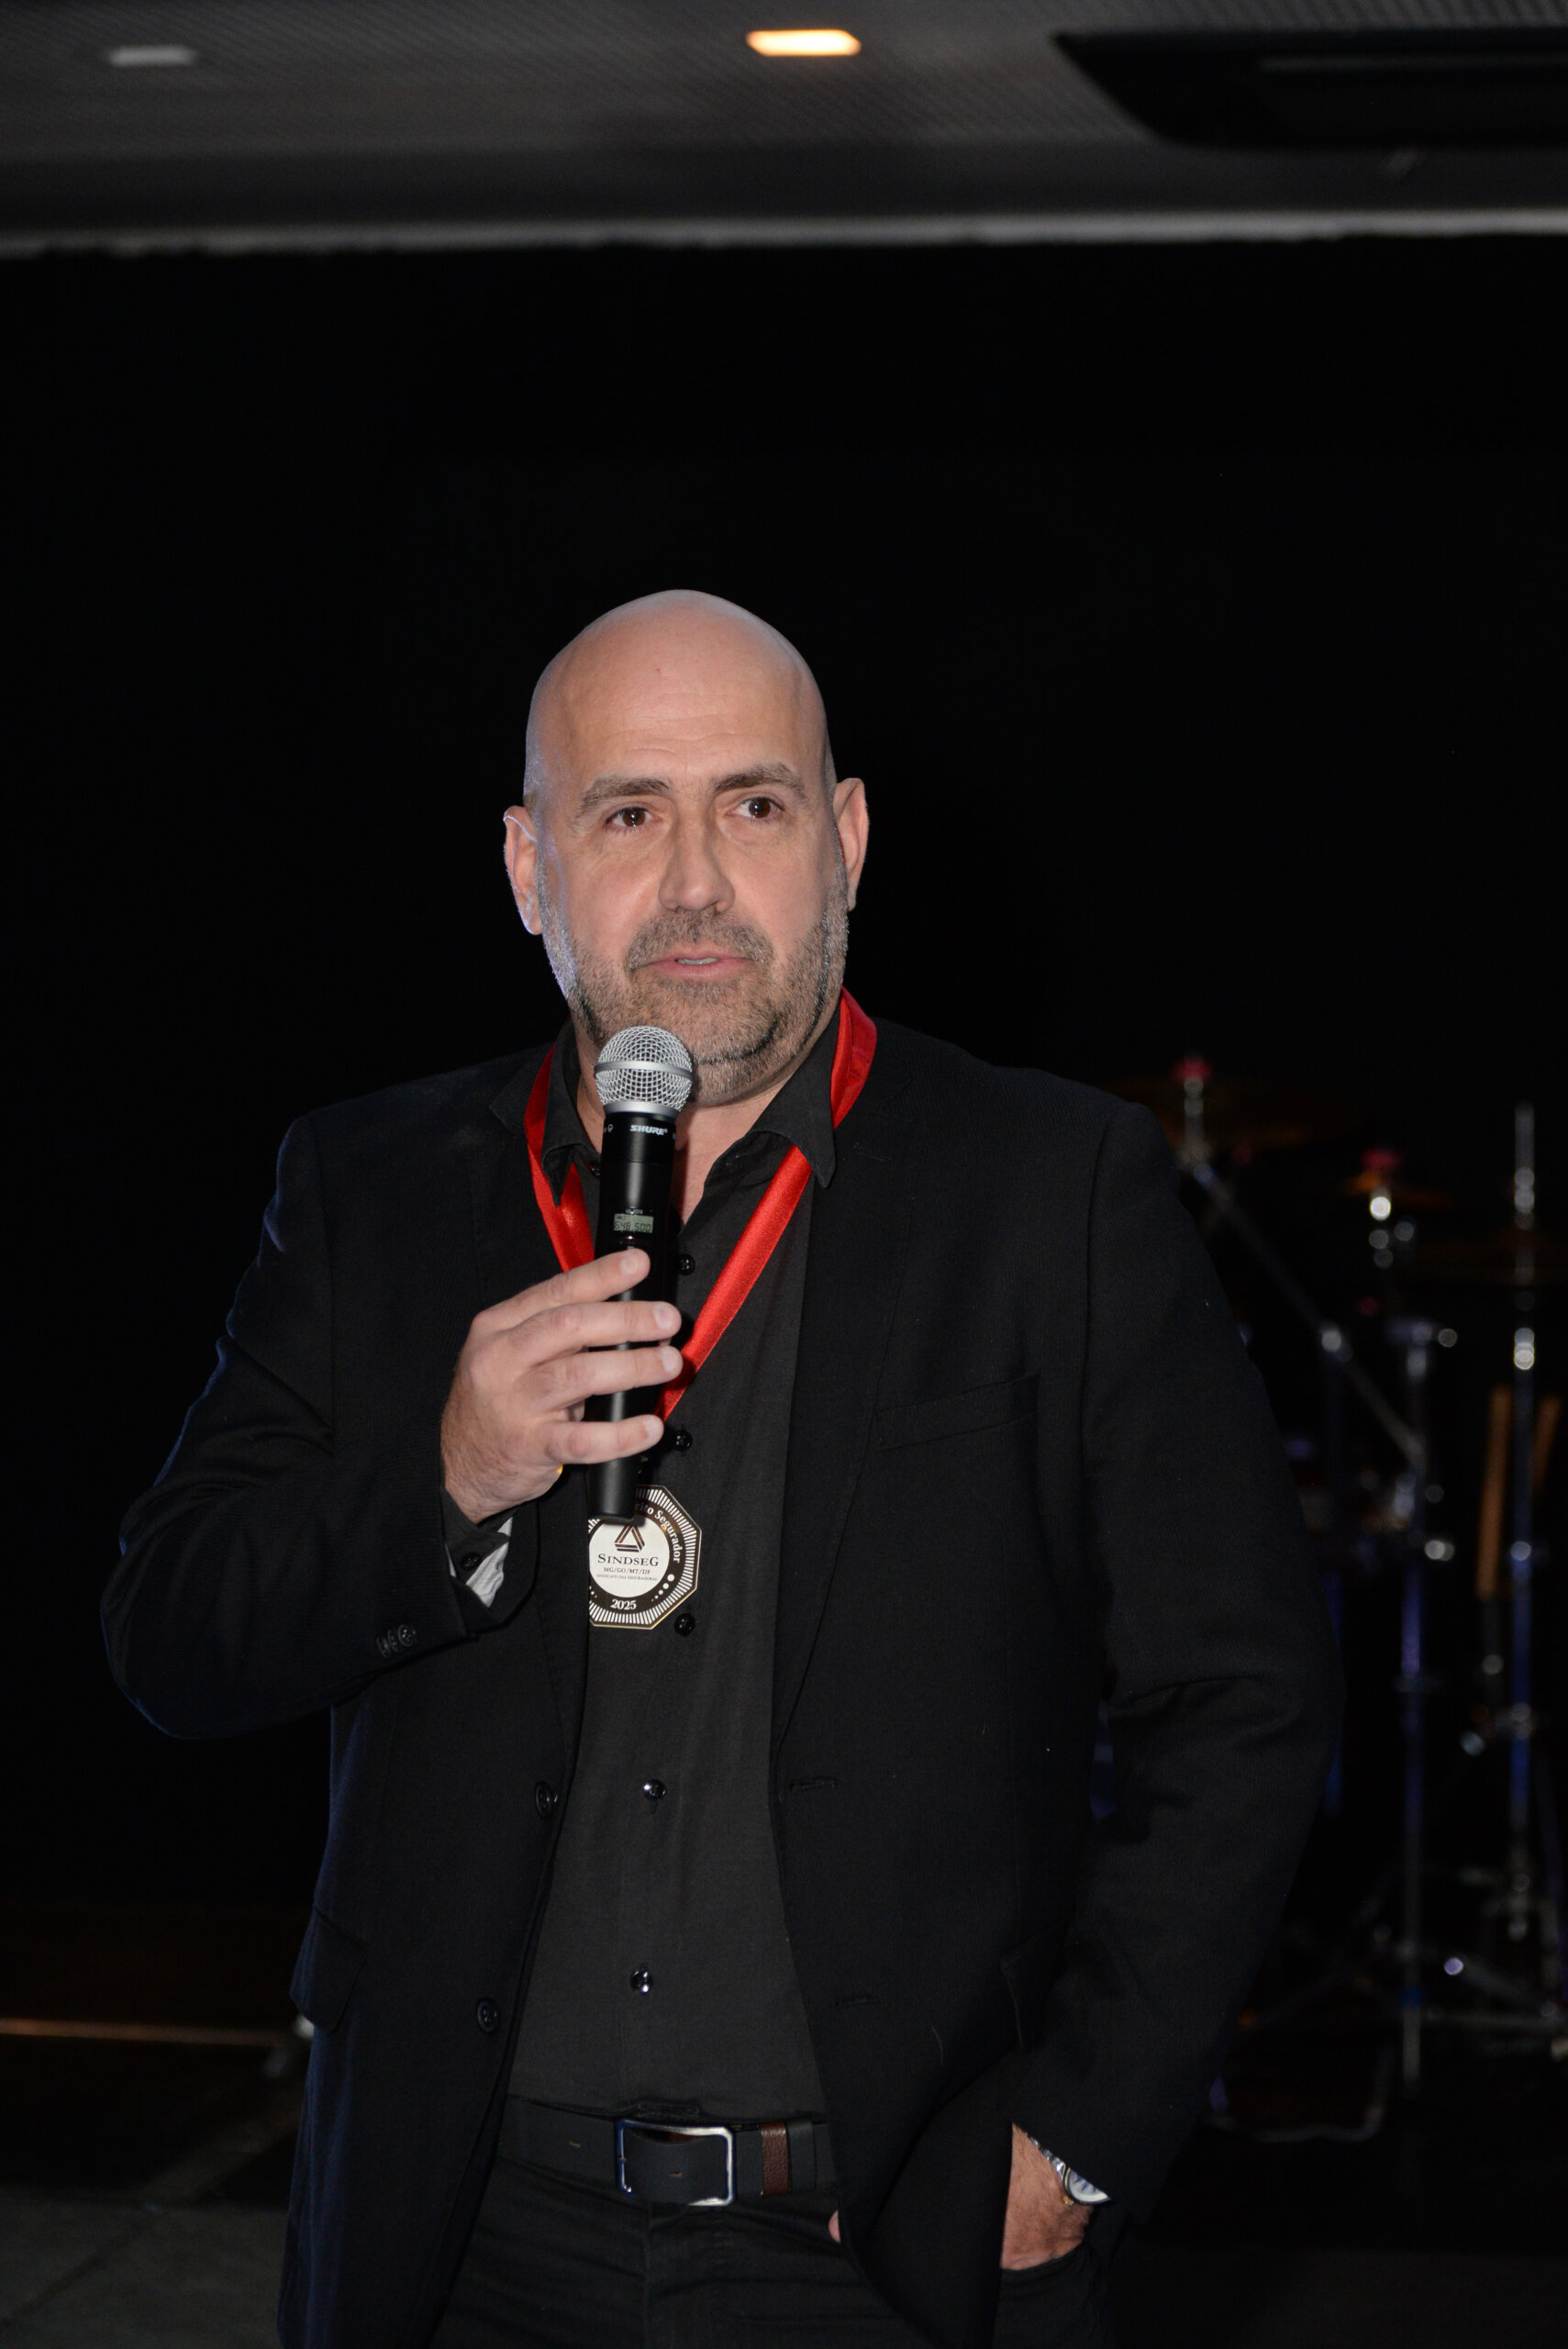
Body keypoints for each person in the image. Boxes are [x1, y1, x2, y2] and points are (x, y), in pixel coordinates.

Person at [106, 590, 1341, 2349]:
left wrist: (1075, 2134)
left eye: (750, 805)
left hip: (887, 2246)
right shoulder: (369, 1190)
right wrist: (444, 1474)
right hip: (457, 2235)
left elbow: (1242, 1697)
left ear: (845, 842)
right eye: (629, 814)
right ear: (530, 867)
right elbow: (171, 1635)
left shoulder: (1050, 1191)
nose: (694, 881)